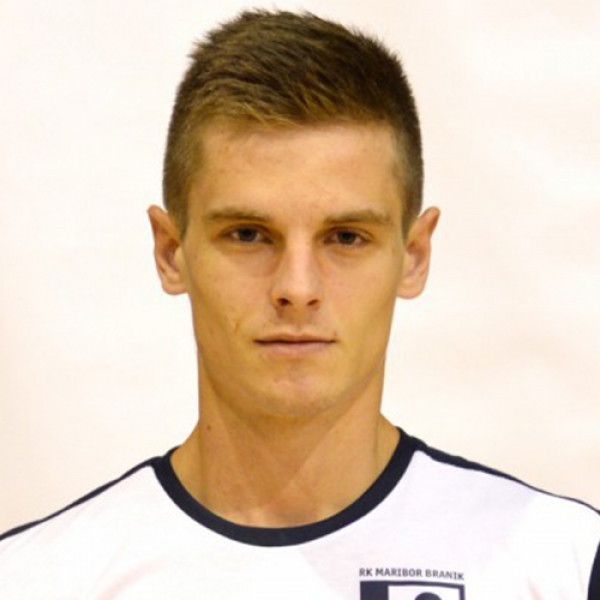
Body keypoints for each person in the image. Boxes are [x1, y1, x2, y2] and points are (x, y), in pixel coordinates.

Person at [0, 9, 598, 599]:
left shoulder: (565, 564)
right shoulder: (35, 579)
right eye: (248, 234)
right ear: (171, 251)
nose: (297, 287)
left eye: (346, 238)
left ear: (413, 256)